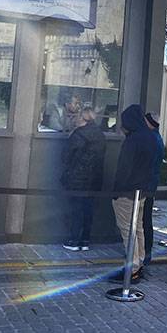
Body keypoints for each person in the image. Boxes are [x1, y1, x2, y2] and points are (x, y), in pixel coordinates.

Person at [110, 104, 157, 284]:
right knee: (138, 229)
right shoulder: (151, 138)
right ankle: (139, 263)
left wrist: (116, 191)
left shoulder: (132, 140)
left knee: (127, 230)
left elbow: (124, 169)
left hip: (126, 193)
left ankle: (132, 268)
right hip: (142, 191)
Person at [61, 106, 106, 251]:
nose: (75, 119)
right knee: (88, 211)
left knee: (76, 211)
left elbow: (66, 157)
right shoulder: (100, 134)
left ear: (82, 119)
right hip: (94, 179)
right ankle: (85, 241)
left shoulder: (78, 135)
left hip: (77, 178)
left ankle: (73, 241)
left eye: (78, 116)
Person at [142, 111, 165, 266]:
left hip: (147, 185)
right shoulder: (156, 138)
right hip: (150, 184)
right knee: (145, 219)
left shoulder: (152, 139)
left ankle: (146, 252)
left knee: (145, 219)